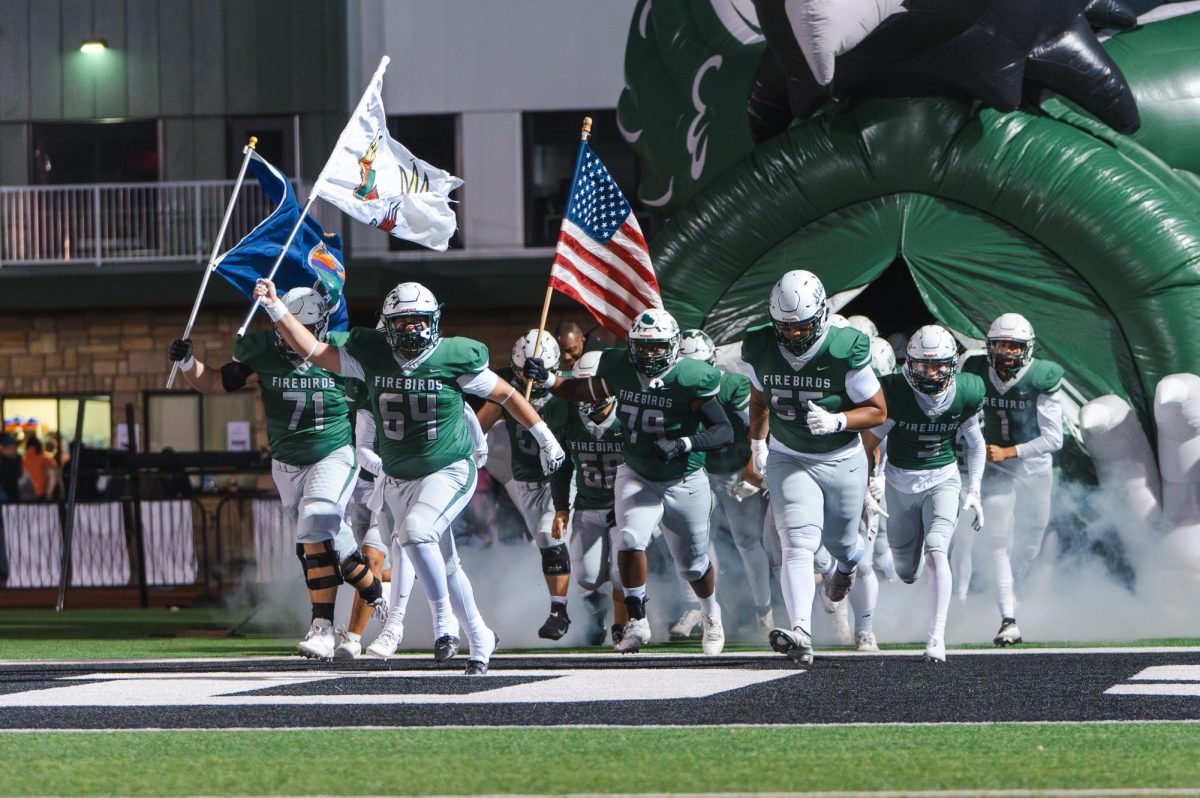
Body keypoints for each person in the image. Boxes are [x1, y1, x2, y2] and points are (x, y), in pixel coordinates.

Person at [258, 277, 564, 674]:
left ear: (434, 320)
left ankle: (444, 625)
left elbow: (506, 394)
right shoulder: (373, 355)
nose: (412, 329)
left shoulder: (454, 356)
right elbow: (314, 350)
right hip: (400, 477)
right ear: (387, 325)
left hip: (449, 468)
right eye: (402, 322)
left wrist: (546, 437)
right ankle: (480, 632)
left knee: (416, 534)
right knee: (446, 563)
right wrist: (276, 309)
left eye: (418, 320)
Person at [168, 287, 387, 660]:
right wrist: (189, 364)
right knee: (321, 543)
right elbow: (216, 382)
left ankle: (321, 628)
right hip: (286, 463)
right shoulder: (264, 353)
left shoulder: (340, 351)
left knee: (315, 527)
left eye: (296, 328)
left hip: (332, 455)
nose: (287, 336)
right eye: (283, 328)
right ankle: (370, 587)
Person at [524, 308, 733, 655]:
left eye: (657, 347)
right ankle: (636, 619)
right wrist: (548, 380)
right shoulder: (620, 367)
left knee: (693, 565)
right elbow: (581, 389)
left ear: (674, 346)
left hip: (685, 477)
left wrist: (684, 443)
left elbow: (722, 430)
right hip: (637, 471)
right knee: (630, 538)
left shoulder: (691, 377)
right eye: (643, 346)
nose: (649, 354)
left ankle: (712, 613)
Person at [739, 270, 887, 666]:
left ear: (821, 315)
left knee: (842, 546)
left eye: (801, 325)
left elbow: (878, 411)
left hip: (840, 458)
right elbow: (759, 399)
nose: (792, 335)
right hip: (790, 453)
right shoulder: (759, 344)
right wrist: (757, 443)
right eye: (784, 327)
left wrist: (839, 420)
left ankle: (849, 565)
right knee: (797, 543)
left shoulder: (843, 348)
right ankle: (801, 630)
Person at [861, 325, 986, 662]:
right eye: (924, 366)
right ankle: (901, 572)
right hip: (899, 482)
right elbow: (867, 444)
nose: (932, 373)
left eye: (940, 365)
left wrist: (974, 487)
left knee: (937, 551)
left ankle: (936, 638)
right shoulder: (894, 392)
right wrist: (863, 486)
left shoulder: (968, 391)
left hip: (943, 479)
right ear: (910, 364)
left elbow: (975, 443)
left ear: (953, 365)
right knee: (907, 571)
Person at [958, 313, 1063, 646]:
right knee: (998, 539)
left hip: (1032, 467)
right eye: (1000, 345)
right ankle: (1008, 617)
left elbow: (1054, 439)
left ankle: (1014, 582)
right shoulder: (974, 370)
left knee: (1031, 540)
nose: (1006, 353)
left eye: (1014, 347)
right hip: (997, 469)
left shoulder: (1041, 377)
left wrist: (1011, 451)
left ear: (1027, 349)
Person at [475, 331, 574, 640]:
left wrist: (551, 382)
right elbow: (481, 424)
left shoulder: (569, 388)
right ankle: (584, 609)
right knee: (546, 545)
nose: (525, 375)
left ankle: (560, 611)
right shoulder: (509, 387)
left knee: (551, 537)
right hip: (526, 478)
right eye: (519, 369)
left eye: (531, 370)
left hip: (564, 475)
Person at [679, 329, 774, 638]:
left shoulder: (732, 387)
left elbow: (761, 426)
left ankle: (765, 612)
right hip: (700, 473)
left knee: (748, 543)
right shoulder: (670, 388)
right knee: (695, 539)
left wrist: (753, 470)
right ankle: (696, 607)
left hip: (734, 470)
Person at [549, 350, 629, 646]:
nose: (584, 395)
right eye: (580, 385)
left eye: (591, 386)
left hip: (623, 505)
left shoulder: (628, 413)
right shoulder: (566, 412)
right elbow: (561, 463)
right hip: (586, 503)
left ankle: (623, 625)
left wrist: (627, 502)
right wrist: (561, 508)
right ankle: (599, 609)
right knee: (585, 577)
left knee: (622, 573)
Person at [0, 434, 22, 502]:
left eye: (15, 446)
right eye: (10, 447)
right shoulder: (4, 463)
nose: (14, 449)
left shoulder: (16, 461)